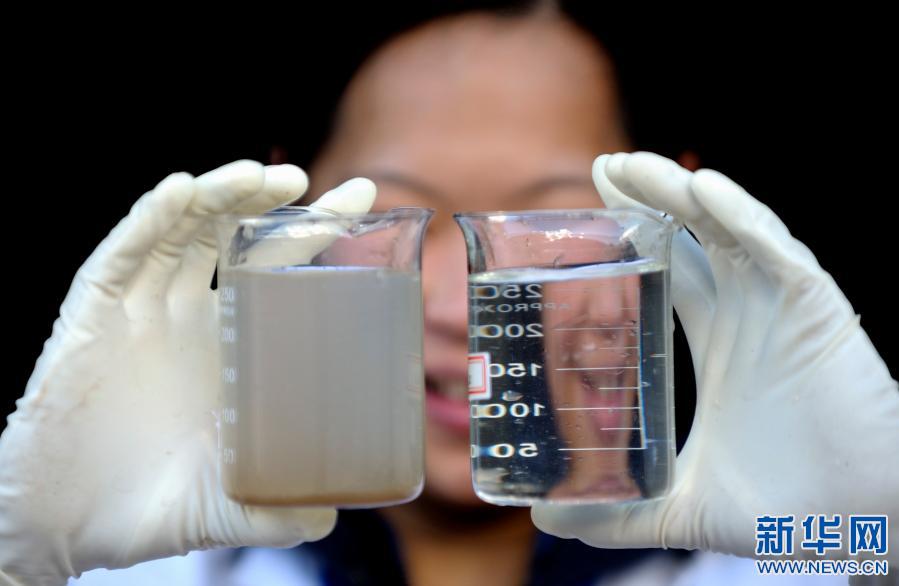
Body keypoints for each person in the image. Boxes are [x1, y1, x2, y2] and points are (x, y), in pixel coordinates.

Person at [2, 3, 896, 586]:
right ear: (284, 205)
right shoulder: (120, 559)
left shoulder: (793, 549)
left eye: (545, 233)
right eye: (391, 220)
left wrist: (874, 540)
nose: (459, 306)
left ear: (672, 214)